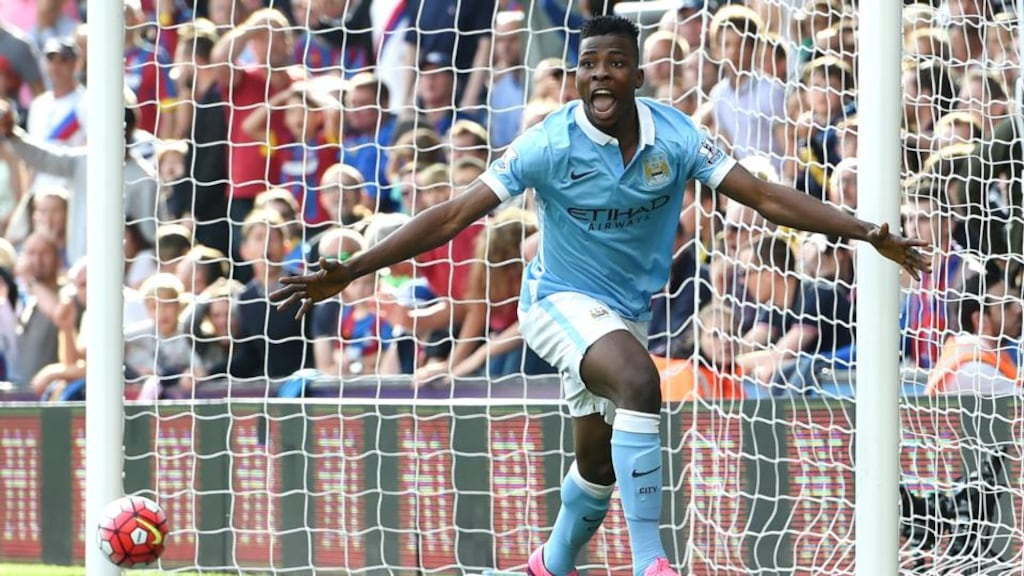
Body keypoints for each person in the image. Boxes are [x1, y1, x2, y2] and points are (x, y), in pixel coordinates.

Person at [272, 16, 930, 576]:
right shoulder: (548, 144)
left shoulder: (674, 136)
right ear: (578, 76)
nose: (601, 75)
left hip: (626, 311)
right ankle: (653, 562)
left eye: (617, 63)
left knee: (597, 467)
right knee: (640, 383)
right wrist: (349, 266)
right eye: (589, 64)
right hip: (556, 301)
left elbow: (762, 196)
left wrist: (865, 231)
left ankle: (548, 564)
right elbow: (451, 216)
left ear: (637, 77)